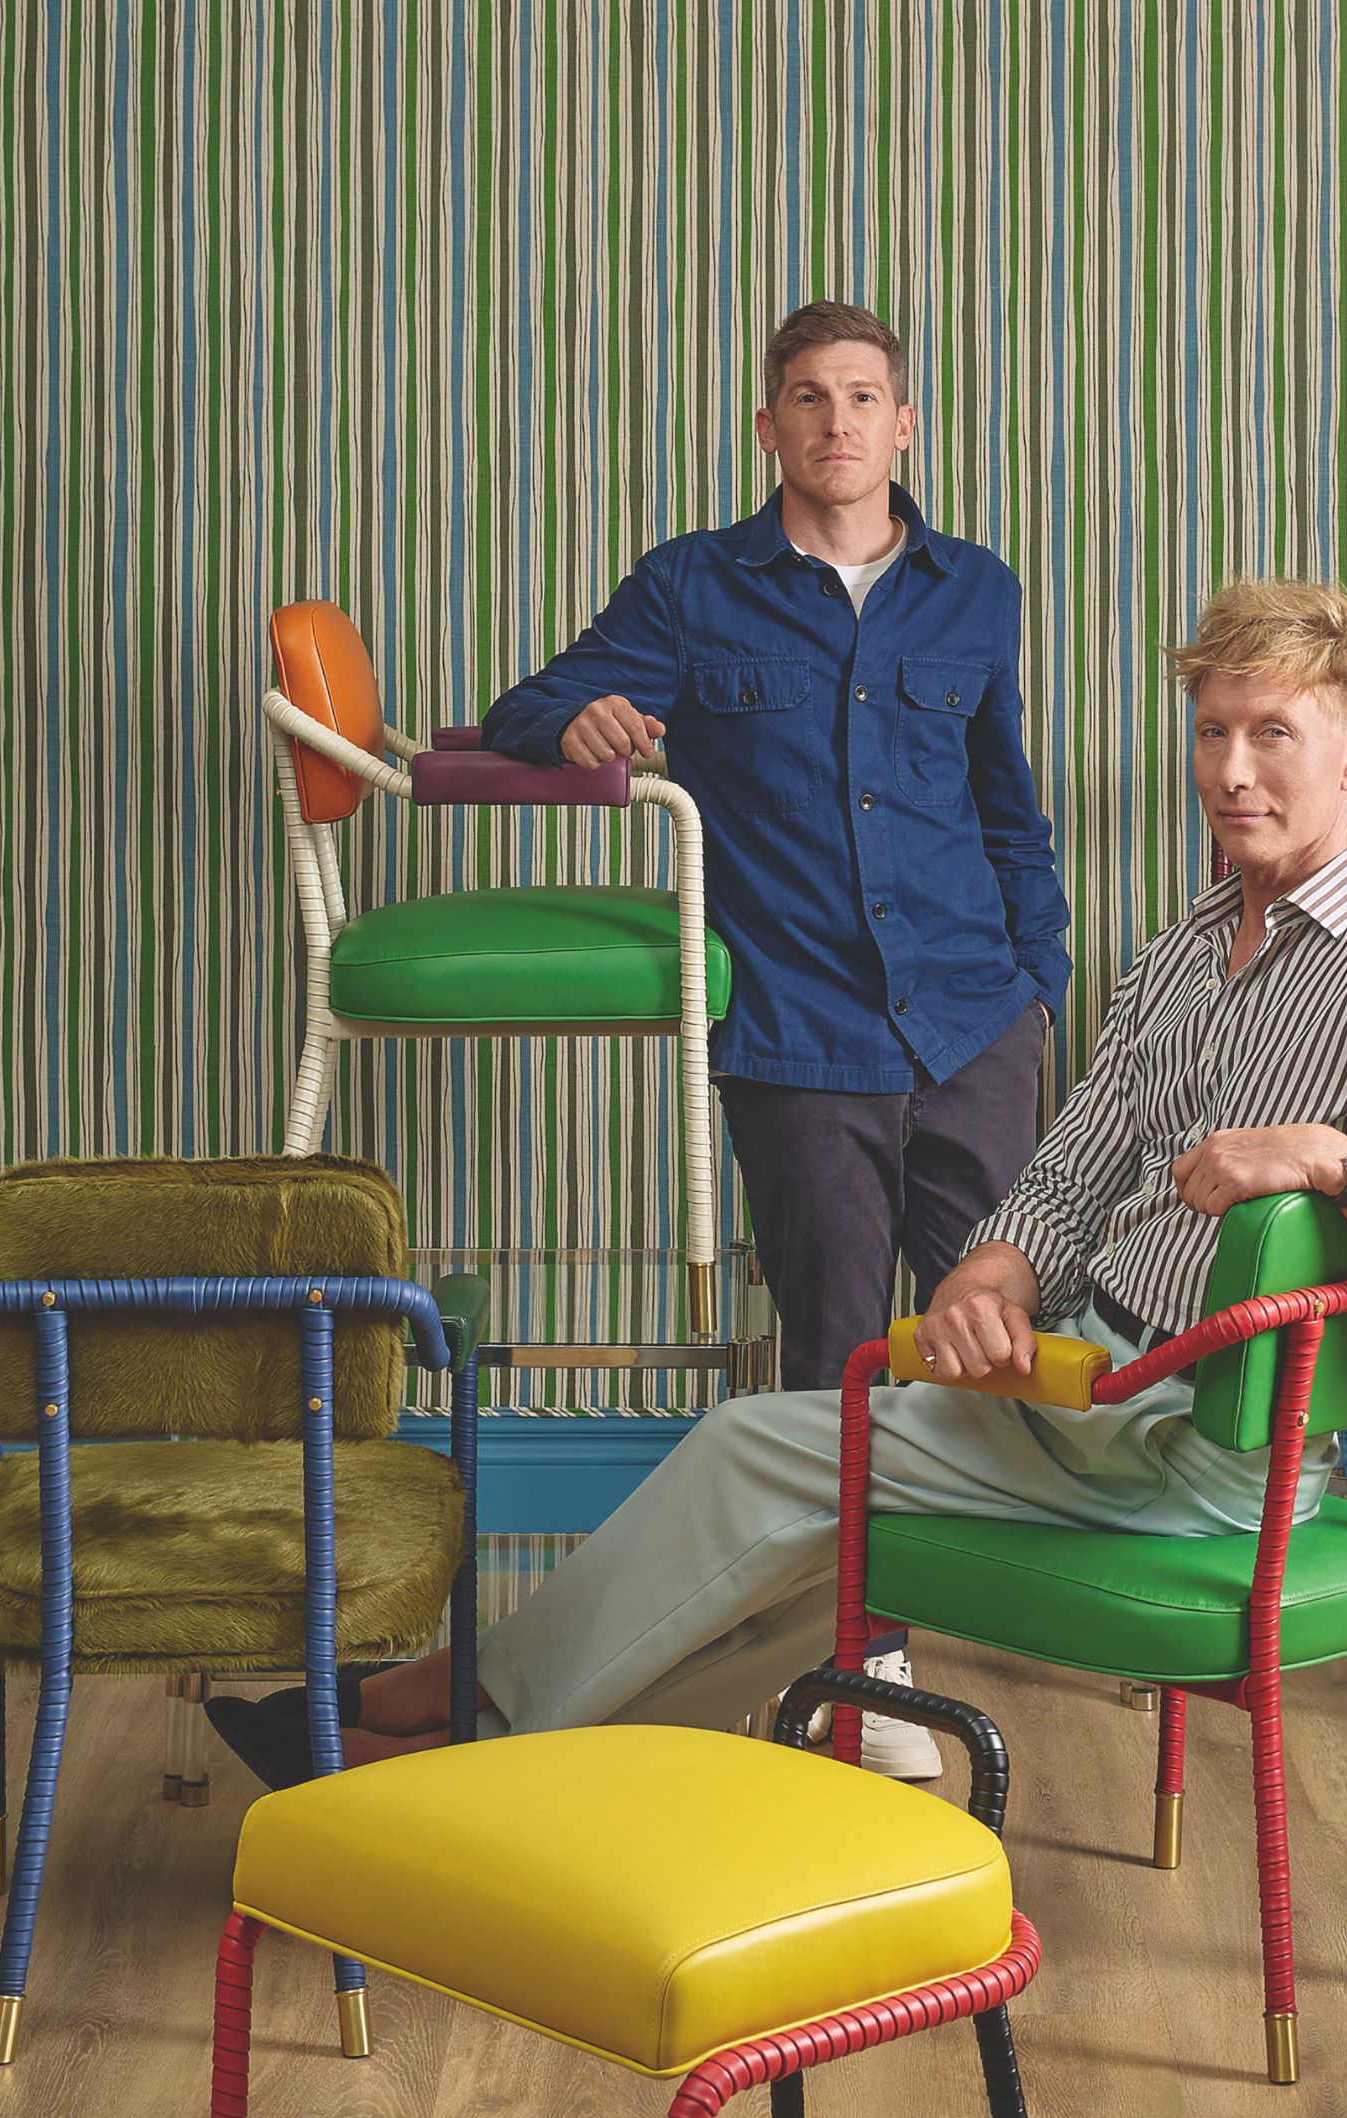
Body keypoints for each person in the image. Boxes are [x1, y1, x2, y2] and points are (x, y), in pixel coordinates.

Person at [210, 579, 1347, 1790]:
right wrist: (992, 1271)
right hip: (1083, 1385)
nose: (1231, 770)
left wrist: (1338, 1162)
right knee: (806, 1553)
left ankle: (446, 1712)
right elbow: (1074, 1167)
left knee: (757, 1447)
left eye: (1271, 733)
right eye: (1213, 731)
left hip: (1202, 1450)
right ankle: (489, 1763)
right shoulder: (1182, 949)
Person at [478, 300, 1072, 1774]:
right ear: (769, 428)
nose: (837, 423)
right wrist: (585, 727)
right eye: (807, 398)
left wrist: (1042, 976)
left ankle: (1008, 1600)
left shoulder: (977, 591)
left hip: (974, 1019)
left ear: (905, 421)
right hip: (800, 1042)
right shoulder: (692, 588)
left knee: (1005, 1345)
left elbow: (1008, 805)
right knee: (831, 1362)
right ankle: (867, 1664)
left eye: (864, 396)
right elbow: (531, 703)